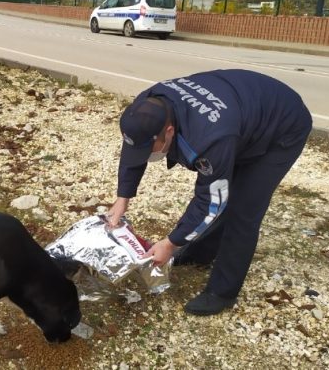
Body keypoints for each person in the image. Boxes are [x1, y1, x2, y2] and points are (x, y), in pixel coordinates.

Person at [106, 69, 312, 316]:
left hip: (281, 125)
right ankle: (201, 253)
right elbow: (134, 152)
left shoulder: (210, 138)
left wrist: (171, 244)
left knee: (242, 209)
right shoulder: (146, 106)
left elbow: (211, 200)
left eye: (150, 149)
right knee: (227, 185)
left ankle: (222, 292)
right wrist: (122, 198)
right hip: (243, 110)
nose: (147, 157)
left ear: (169, 131)